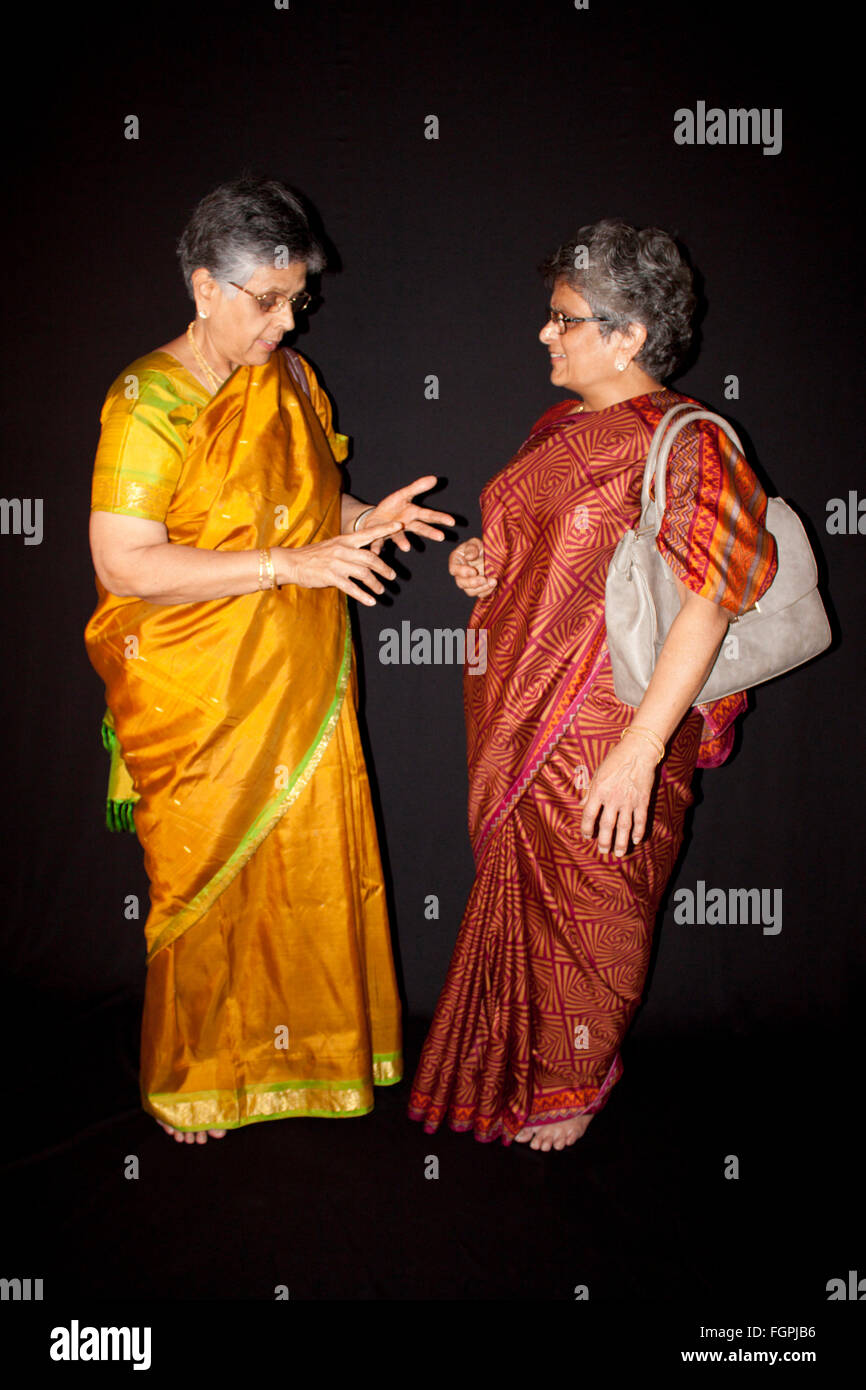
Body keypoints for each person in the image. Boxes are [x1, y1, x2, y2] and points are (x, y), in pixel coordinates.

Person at [85, 176, 453, 1144]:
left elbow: (307, 500)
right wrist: (286, 562)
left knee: (305, 872)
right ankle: (199, 1076)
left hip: (298, 677)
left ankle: (301, 1060)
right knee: (210, 884)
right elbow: (124, 559)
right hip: (197, 690)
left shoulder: (288, 382)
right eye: (268, 302)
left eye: (296, 300)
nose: (286, 324)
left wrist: (362, 519)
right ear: (204, 286)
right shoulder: (145, 399)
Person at [409, 219, 777, 1152]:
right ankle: (513, 1063)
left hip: (611, 726)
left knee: (596, 908)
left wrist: (640, 751)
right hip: (518, 711)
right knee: (530, 896)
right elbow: (543, 556)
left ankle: (571, 1083)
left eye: (566, 319)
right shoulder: (563, 429)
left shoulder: (694, 444)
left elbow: (712, 600)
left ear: (628, 338)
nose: (546, 334)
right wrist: (482, 568)